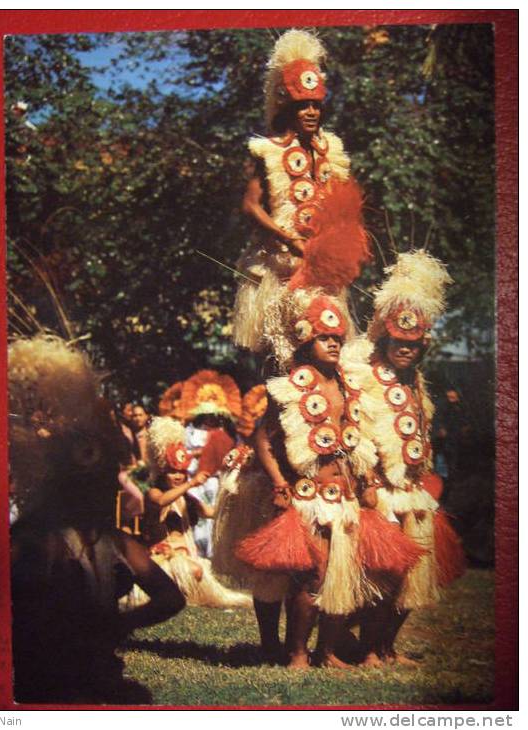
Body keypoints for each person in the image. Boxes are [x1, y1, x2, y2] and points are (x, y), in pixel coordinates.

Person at [214, 289, 422, 668]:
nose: (332, 345)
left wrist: (368, 481)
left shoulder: (347, 386)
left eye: (337, 340)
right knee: (312, 577)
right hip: (308, 496)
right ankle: (296, 653)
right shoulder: (289, 387)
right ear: (307, 341)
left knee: (342, 578)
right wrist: (280, 483)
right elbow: (262, 439)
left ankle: (326, 653)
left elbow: (358, 442)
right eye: (325, 339)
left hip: (344, 496)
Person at [8, 336, 185, 704]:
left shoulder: (113, 540)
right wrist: (115, 625)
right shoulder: (38, 539)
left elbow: (171, 598)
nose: (109, 489)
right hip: (40, 681)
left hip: (87, 674)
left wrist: (116, 625)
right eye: (102, 481)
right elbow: (168, 599)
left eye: (110, 479)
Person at [340, 250, 465, 666]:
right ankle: (366, 649)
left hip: (413, 490)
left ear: (422, 347)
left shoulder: (418, 384)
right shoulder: (364, 374)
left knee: (416, 577)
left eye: (413, 345)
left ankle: (384, 647)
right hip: (380, 491)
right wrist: (369, 484)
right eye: (399, 343)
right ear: (386, 339)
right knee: (384, 577)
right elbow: (355, 436)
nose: (406, 351)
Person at [233, 29, 370, 353]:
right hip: (279, 271)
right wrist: (289, 239)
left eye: (316, 106)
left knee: (326, 353)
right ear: (288, 109)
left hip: (323, 272)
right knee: (285, 358)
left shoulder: (332, 150)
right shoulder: (265, 151)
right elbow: (250, 207)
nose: (311, 112)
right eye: (302, 106)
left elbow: (343, 206)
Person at [141, 416, 252, 609]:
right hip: (164, 559)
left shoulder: (186, 498)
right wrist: (191, 483)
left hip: (187, 556)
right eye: (172, 472)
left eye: (181, 473)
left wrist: (233, 495)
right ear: (161, 473)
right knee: (194, 571)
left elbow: (210, 512)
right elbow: (161, 501)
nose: (178, 477)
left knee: (199, 571)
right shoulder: (154, 493)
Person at [176, 370, 242, 557]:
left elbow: (238, 452)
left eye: (215, 414)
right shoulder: (190, 431)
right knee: (199, 519)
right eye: (207, 414)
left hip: (218, 480)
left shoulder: (228, 433)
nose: (211, 418)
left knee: (219, 518)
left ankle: (218, 556)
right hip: (196, 480)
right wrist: (198, 453)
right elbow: (182, 453)